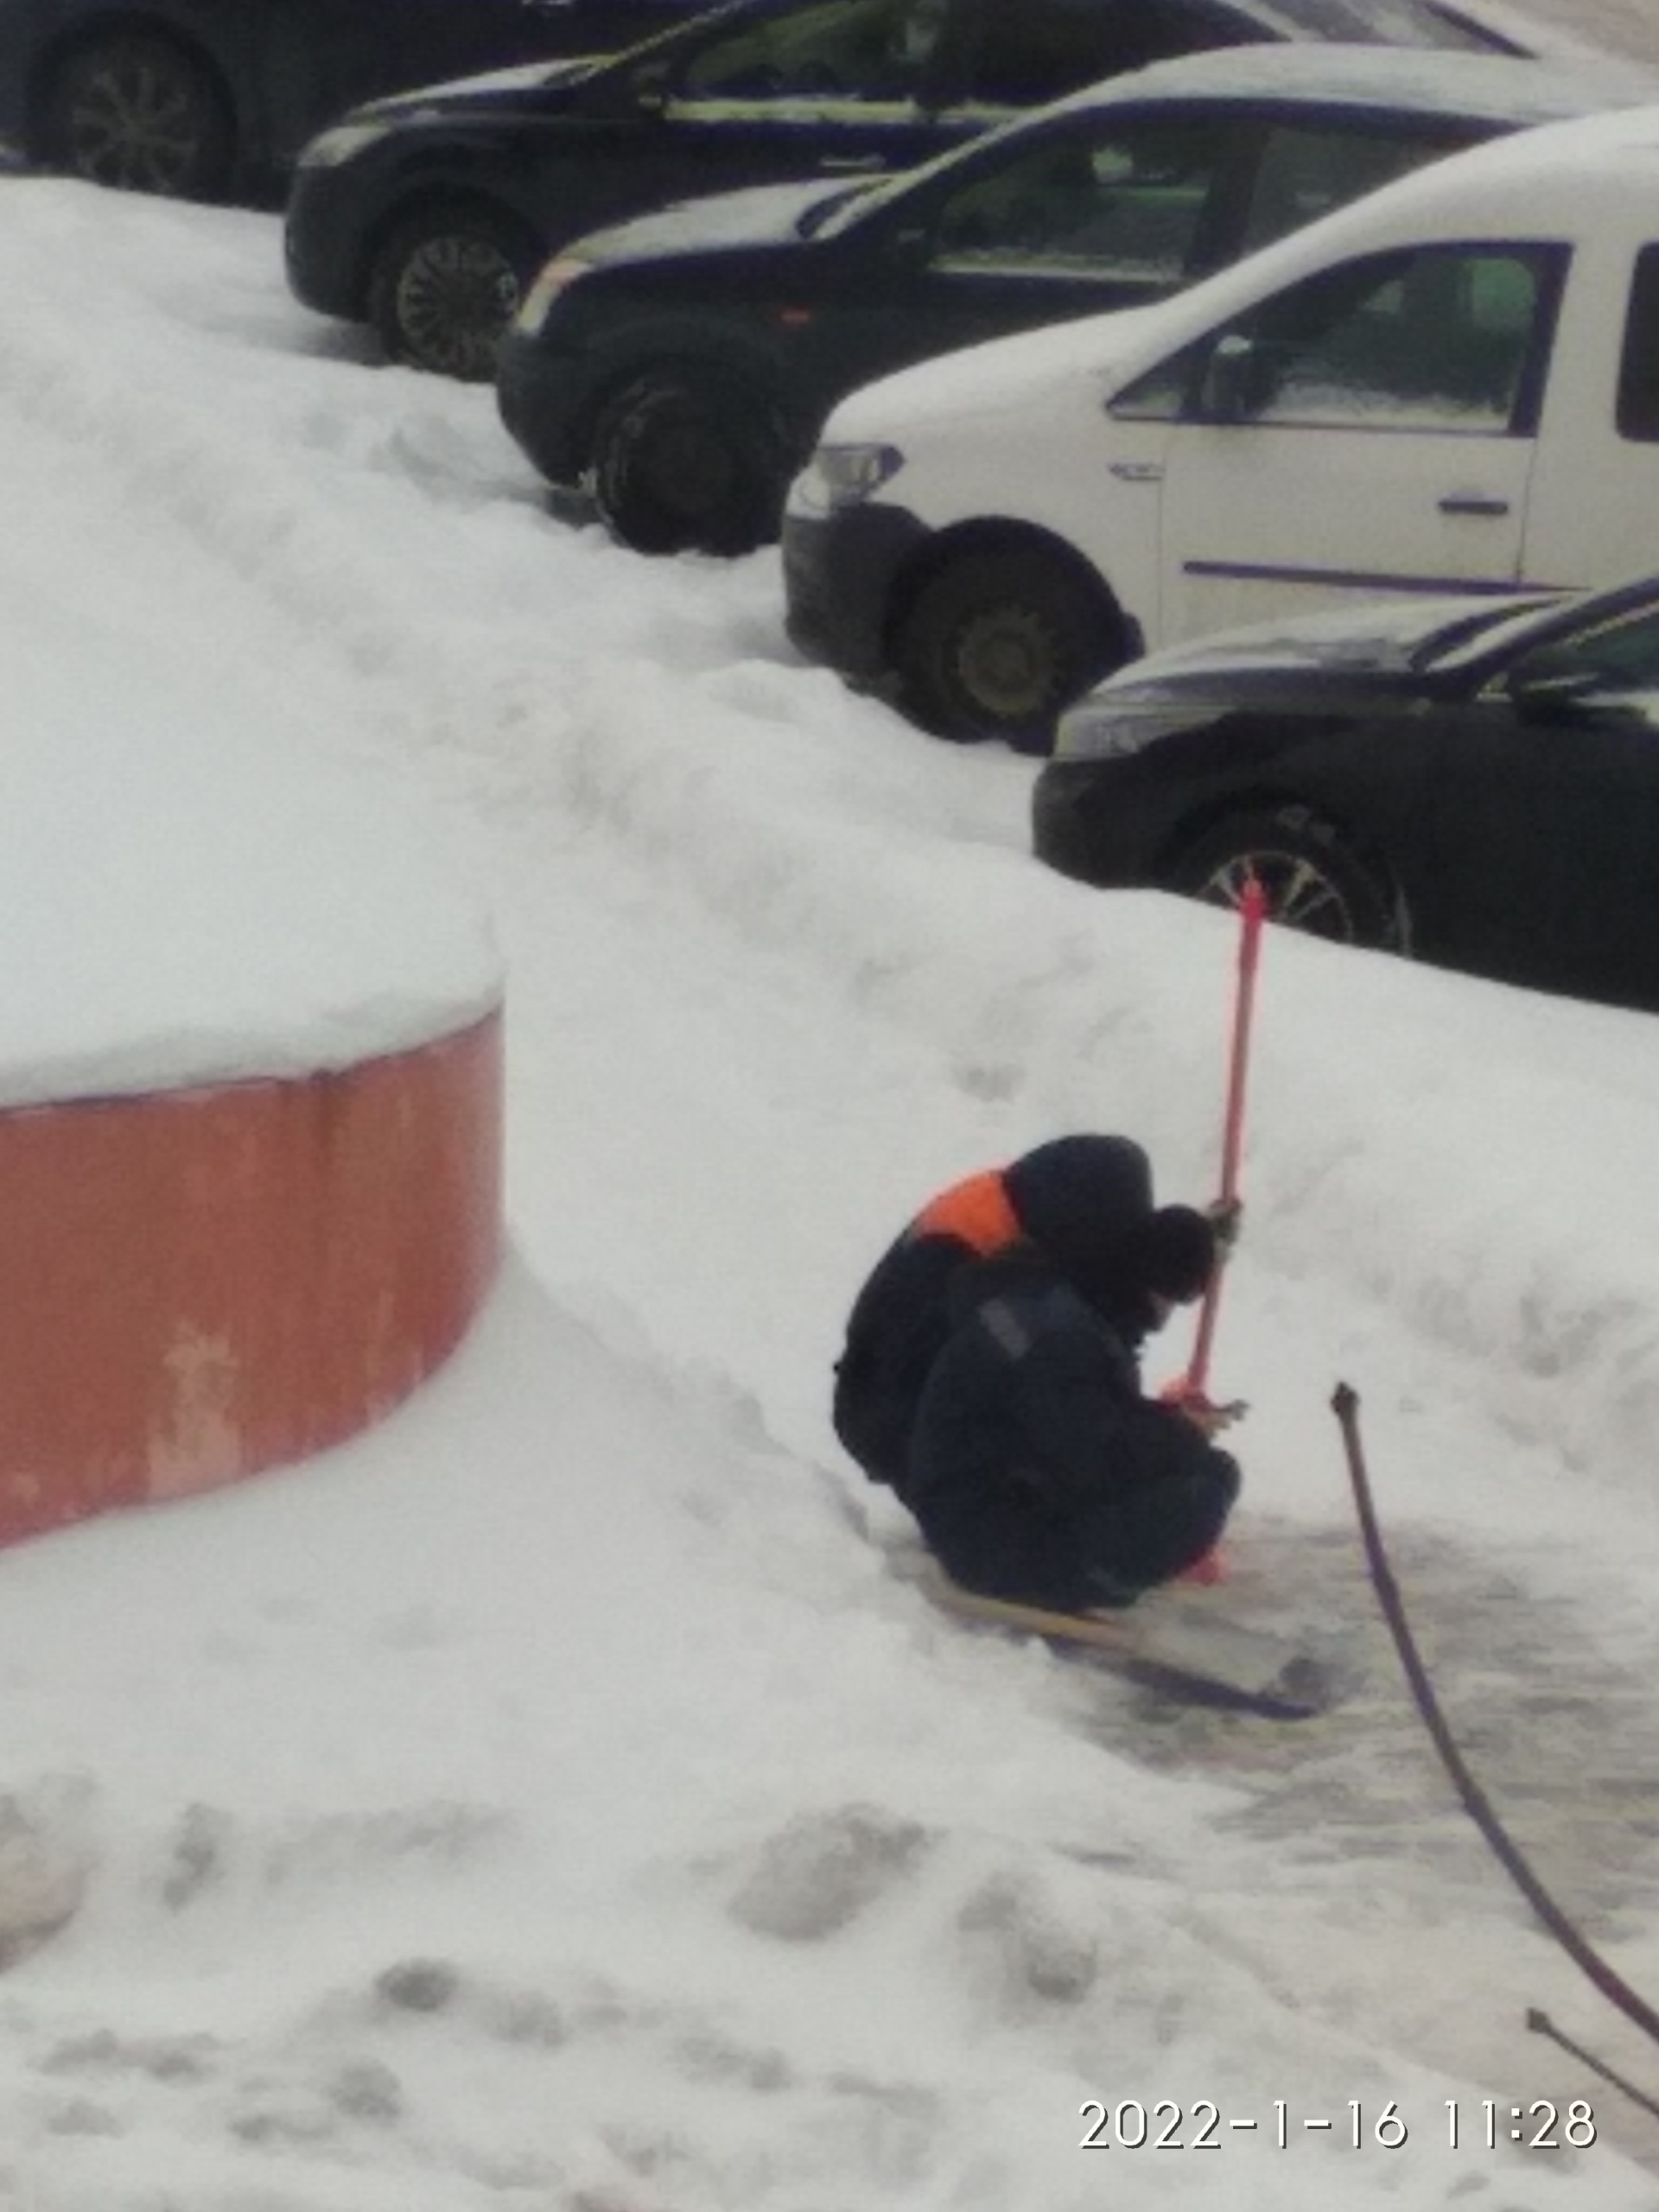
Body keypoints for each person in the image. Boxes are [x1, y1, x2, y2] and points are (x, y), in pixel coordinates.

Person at [832, 1135, 1240, 1613]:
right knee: (1196, 1486)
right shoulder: (995, 1282)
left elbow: (1078, 1398)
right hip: (899, 1425)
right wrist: (1175, 1437)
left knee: (1155, 1465)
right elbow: (1081, 1433)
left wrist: (1193, 1244)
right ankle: (1059, 1568)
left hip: (965, 1460)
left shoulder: (1028, 1248)